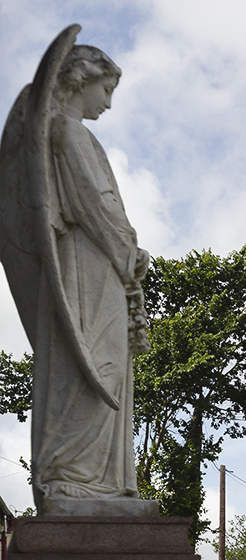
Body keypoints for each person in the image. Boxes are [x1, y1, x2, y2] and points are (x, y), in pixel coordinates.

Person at [0, 33, 150, 512]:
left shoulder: (74, 133)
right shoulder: (67, 132)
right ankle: (70, 478)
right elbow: (90, 203)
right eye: (105, 90)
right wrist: (126, 249)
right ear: (81, 81)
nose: (107, 103)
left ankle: (98, 484)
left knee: (106, 363)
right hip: (86, 264)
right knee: (92, 363)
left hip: (99, 262)